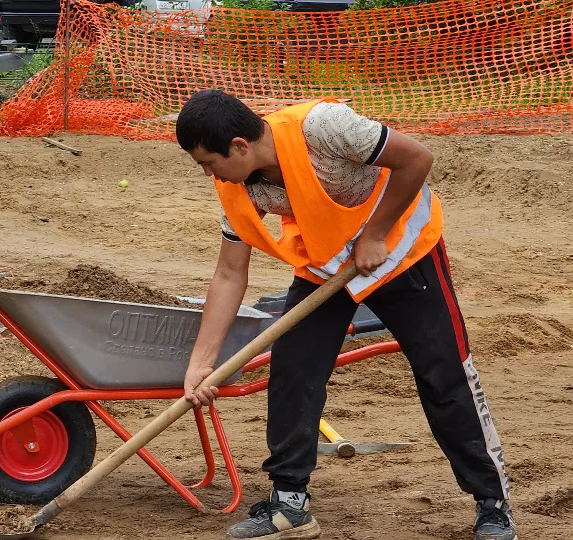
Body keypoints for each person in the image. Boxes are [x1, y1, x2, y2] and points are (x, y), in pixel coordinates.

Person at [176, 90, 515, 540]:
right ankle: (290, 504)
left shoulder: (324, 128)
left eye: (208, 163)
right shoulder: (239, 186)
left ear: (239, 146)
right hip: (327, 266)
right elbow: (228, 274)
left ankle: (492, 503)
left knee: (444, 374)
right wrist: (203, 363)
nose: (207, 174)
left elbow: (416, 158)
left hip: (403, 252)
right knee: (293, 369)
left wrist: (374, 234)